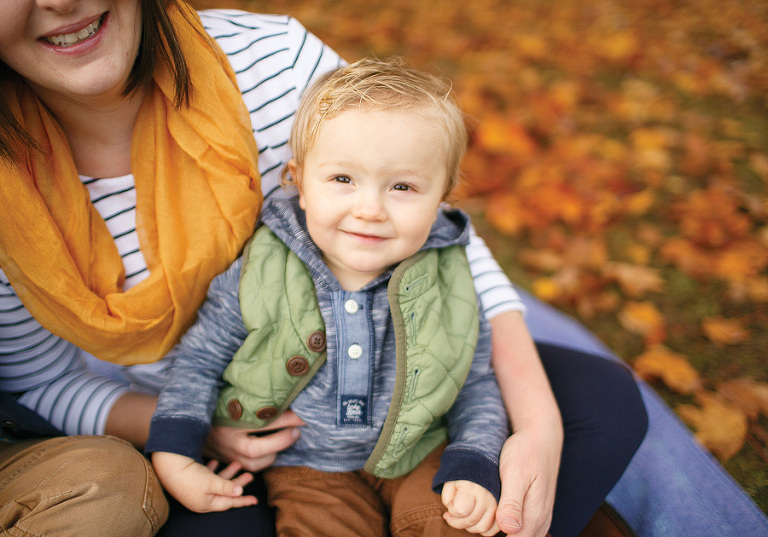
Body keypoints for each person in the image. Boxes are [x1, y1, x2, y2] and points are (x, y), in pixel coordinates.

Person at [4, 2, 754, 537]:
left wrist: (534, 430)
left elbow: (454, 260)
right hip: (234, 441)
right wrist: (195, 435)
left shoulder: (271, 64)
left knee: (601, 403)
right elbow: (39, 384)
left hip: (408, 421)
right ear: (299, 179)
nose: (61, 1)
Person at [146, 57, 509, 537]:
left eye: (402, 186)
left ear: (443, 195)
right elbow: (199, 360)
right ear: (297, 181)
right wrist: (174, 452)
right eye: (343, 179)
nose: (370, 209)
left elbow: (474, 378)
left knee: (456, 524)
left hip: (421, 452)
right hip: (306, 465)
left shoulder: (449, 274)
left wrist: (474, 461)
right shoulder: (263, 266)